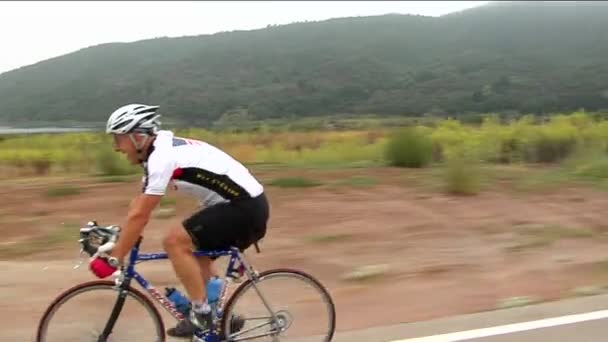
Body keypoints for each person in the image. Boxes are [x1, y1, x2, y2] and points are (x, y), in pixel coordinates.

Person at [88, 103, 269, 337]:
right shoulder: (156, 153)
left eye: (118, 139)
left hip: (244, 207)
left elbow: (141, 215)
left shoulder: (162, 157)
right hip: (238, 206)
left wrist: (115, 259)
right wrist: (118, 239)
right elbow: (138, 207)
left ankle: (202, 314)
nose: (116, 147)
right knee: (196, 257)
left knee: (175, 241)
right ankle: (221, 320)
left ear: (137, 137)